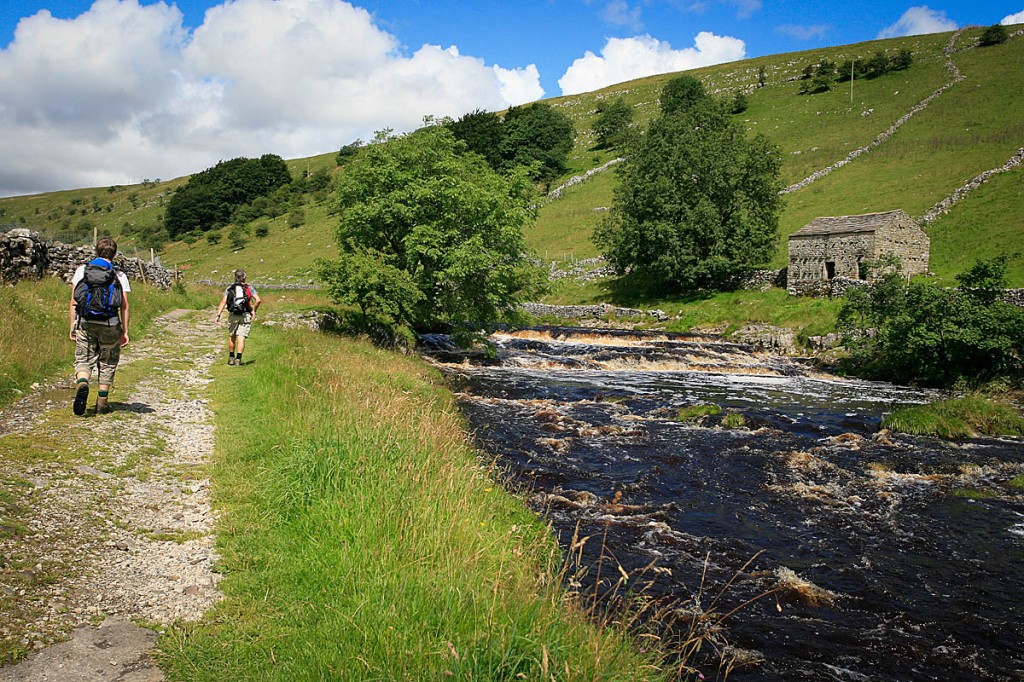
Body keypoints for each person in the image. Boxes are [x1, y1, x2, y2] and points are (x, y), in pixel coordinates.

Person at [69, 236, 130, 416]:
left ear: (96, 251)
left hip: (85, 322)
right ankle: (102, 403)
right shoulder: (119, 275)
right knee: (108, 361)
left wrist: (73, 326)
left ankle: (82, 382)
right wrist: (124, 331)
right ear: (114, 254)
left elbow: (73, 301)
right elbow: (124, 305)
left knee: (83, 358)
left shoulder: (82, 270)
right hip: (110, 323)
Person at [215, 269, 261, 366]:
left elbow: (223, 302)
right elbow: (258, 300)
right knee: (241, 337)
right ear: (244, 277)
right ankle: (238, 359)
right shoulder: (249, 288)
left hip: (233, 315)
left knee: (232, 336)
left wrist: (218, 315)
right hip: (245, 315)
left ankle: (231, 358)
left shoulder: (230, 288)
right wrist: (253, 310)